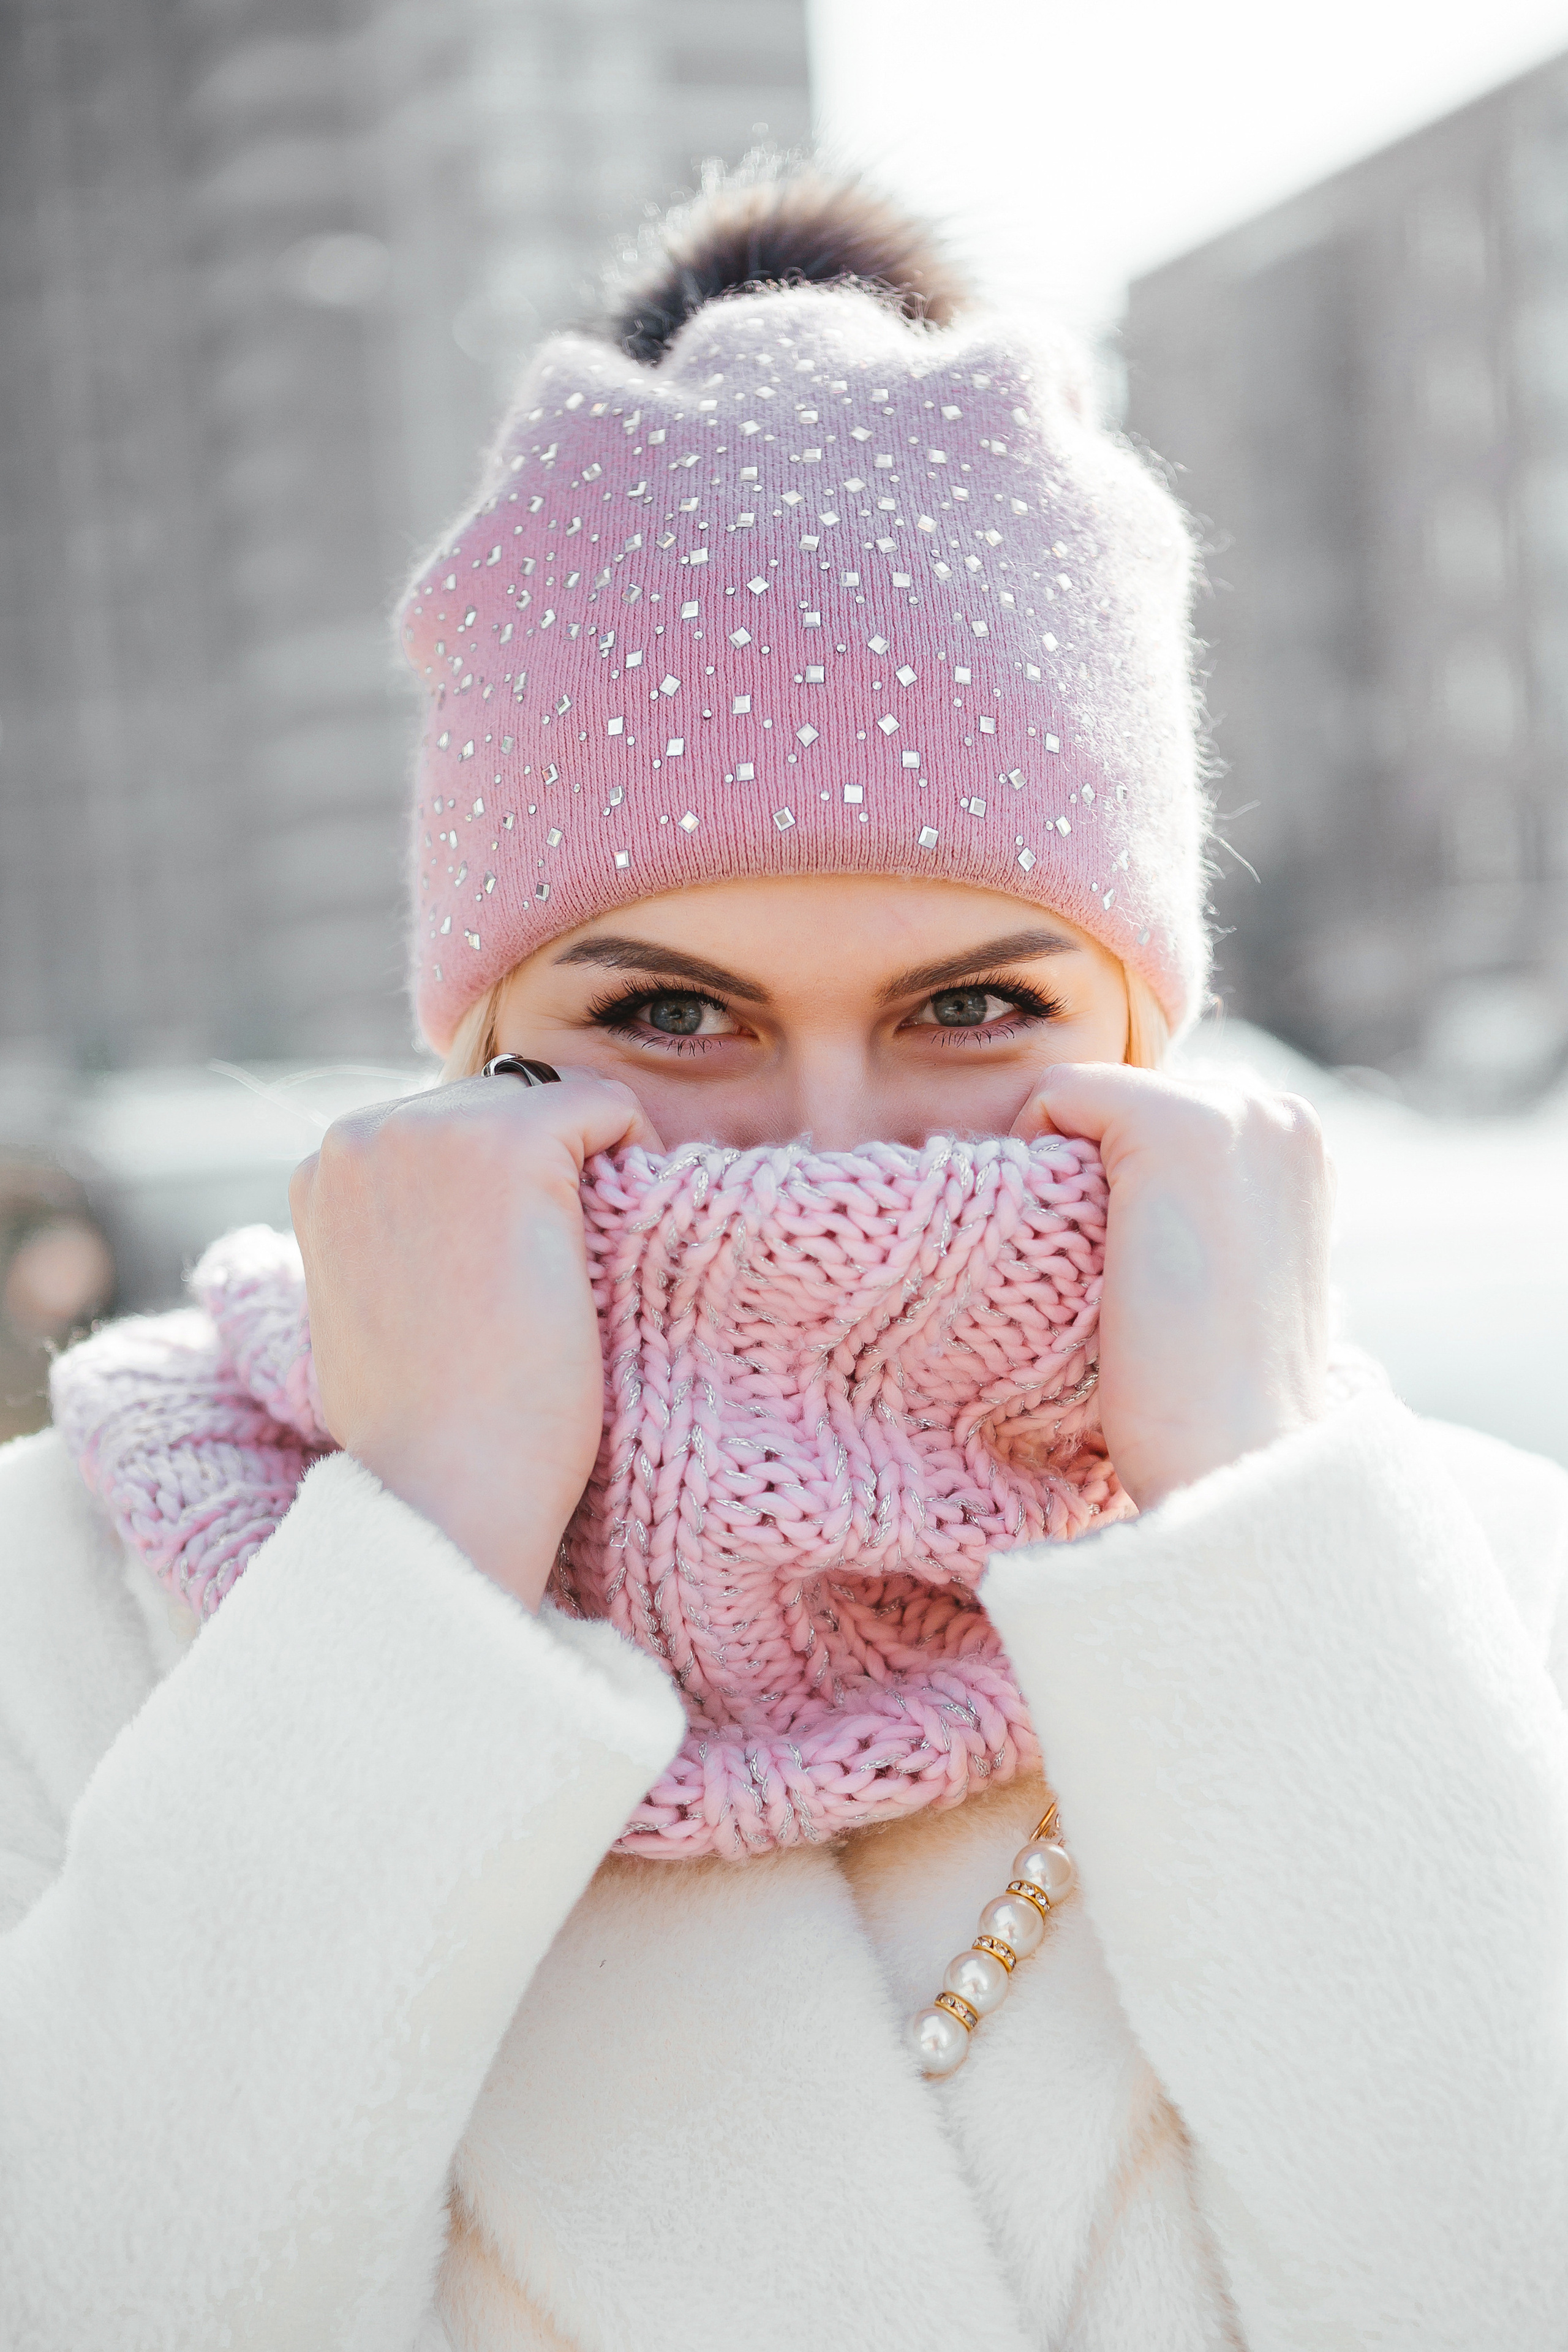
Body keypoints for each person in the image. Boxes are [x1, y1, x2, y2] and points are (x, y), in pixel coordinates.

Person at [2, 166, 1566, 2352]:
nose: (832, 1161)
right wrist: (428, 1561)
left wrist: (1245, 1528)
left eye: (972, 1010)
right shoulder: (89, 1589)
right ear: (469, 1055)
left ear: (1156, 1047)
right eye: (666, 1015)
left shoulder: (1459, 1587)